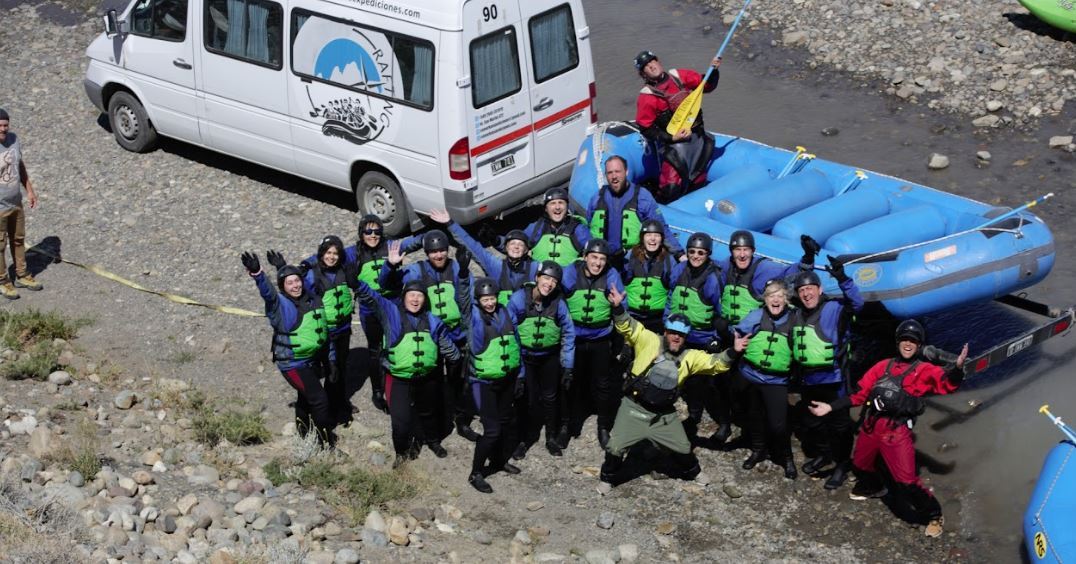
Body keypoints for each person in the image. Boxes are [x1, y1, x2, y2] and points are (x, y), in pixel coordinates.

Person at [809, 320, 968, 537]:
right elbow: (858, 394)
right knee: (860, 465)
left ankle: (933, 514)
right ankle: (875, 488)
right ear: (897, 342)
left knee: (906, 481)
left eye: (913, 341)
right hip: (871, 425)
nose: (908, 344)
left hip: (896, 432)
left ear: (919, 345)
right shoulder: (882, 366)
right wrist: (830, 406)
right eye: (904, 339)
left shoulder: (923, 370)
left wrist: (956, 369)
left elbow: (946, 383)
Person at [599, 285, 747, 488]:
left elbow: (715, 363)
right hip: (633, 407)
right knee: (614, 448)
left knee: (683, 447)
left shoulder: (690, 357)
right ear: (666, 331)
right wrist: (617, 308)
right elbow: (628, 326)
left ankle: (693, 473)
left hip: (664, 415)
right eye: (673, 332)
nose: (676, 337)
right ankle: (607, 479)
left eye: (682, 335)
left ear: (686, 338)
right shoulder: (649, 339)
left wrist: (733, 351)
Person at [356, 239, 461, 466]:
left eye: (420, 295)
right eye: (411, 295)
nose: (415, 298)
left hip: (427, 377)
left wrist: (455, 361)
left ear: (425, 299)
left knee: (429, 412)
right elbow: (372, 296)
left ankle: (433, 441)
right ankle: (401, 454)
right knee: (401, 422)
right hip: (399, 378)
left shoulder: (433, 320)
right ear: (404, 298)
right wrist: (364, 277)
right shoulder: (391, 314)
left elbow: (448, 348)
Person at [379, 229, 477, 442]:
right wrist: (391, 265)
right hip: (431, 335)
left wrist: (472, 334)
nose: (438, 255)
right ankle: (436, 420)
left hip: (457, 335)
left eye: (442, 250)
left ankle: (461, 419)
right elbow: (387, 285)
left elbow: (470, 304)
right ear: (427, 253)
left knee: (459, 381)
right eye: (433, 252)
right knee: (432, 382)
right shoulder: (417, 270)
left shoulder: (459, 268)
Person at [241, 250, 335, 446]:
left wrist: (331, 361)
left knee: (305, 397)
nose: (296, 285)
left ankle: (302, 434)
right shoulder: (280, 305)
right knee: (319, 400)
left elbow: (324, 330)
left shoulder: (310, 299)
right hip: (292, 363)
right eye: (289, 283)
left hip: (310, 359)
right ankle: (324, 445)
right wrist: (258, 274)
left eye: (297, 281)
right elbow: (268, 293)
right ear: (283, 287)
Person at [789, 249, 864, 489]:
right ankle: (824, 454)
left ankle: (842, 464)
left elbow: (857, 303)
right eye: (802, 290)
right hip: (809, 380)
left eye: (810, 288)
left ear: (820, 290)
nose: (806, 293)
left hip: (834, 379)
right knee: (814, 423)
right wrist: (805, 259)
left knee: (839, 426)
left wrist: (843, 278)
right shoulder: (797, 313)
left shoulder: (834, 309)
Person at [337, 214, 423, 413]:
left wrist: (429, 235)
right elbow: (328, 257)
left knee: (397, 346)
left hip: (393, 307)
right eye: (368, 231)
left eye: (377, 231)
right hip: (369, 310)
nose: (373, 235)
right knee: (375, 350)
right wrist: (304, 266)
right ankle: (378, 391)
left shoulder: (391, 246)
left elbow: (411, 243)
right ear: (361, 233)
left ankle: (402, 388)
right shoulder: (353, 253)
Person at [457, 269, 525, 494]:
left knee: (506, 422)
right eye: (485, 299)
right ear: (479, 300)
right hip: (482, 382)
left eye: (492, 298)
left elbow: (516, 345)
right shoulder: (473, 317)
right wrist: (464, 278)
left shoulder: (505, 312)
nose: (489, 302)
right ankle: (475, 473)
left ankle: (497, 461)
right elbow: (463, 301)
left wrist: (521, 376)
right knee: (493, 429)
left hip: (506, 378)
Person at [665, 232, 729, 446]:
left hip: (704, 337)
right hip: (681, 335)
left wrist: (717, 337)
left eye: (701, 253)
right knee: (687, 379)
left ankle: (724, 422)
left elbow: (722, 313)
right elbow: (670, 297)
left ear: (708, 254)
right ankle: (694, 417)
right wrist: (667, 324)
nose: (695, 256)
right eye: (692, 252)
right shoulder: (679, 270)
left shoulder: (712, 278)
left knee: (711, 384)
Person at [560, 238, 625, 449]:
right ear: (585, 257)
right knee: (570, 381)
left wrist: (618, 307)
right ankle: (567, 424)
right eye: (594, 257)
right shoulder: (571, 272)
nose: (598, 263)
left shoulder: (611, 275)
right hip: (575, 338)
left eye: (602, 259)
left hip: (600, 338)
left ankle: (603, 426)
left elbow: (622, 304)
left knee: (603, 385)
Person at [506, 261, 576, 457]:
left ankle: (551, 437)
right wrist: (518, 372)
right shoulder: (519, 299)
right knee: (526, 399)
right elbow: (510, 334)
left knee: (550, 397)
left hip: (549, 357)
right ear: (536, 278)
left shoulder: (558, 304)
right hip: (525, 357)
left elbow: (569, 333)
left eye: (554, 280)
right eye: (546, 278)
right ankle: (524, 439)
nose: (549, 283)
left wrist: (568, 366)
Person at [633, 51, 720, 202]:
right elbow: (646, 128)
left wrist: (714, 70)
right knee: (671, 188)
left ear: (658, 61)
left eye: (652, 62)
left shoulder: (678, 76)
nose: (651, 66)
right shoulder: (647, 97)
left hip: (697, 138)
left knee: (698, 182)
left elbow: (706, 85)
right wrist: (672, 137)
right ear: (643, 74)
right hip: (674, 147)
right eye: (646, 67)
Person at [734, 280, 797, 479]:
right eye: (771, 296)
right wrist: (736, 338)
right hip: (750, 376)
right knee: (754, 416)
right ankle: (758, 450)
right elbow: (737, 330)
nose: (776, 300)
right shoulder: (756, 315)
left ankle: (786, 457)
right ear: (766, 300)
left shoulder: (795, 319)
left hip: (776, 381)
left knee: (778, 425)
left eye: (780, 296)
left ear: (786, 300)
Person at [299, 235, 360, 427]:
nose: (331, 257)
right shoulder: (312, 274)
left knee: (341, 367)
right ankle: (325, 409)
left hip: (344, 328)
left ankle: (340, 402)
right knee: (330, 370)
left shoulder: (343, 269)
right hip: (326, 331)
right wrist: (305, 262)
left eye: (335, 253)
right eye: (327, 253)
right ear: (321, 254)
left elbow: (356, 247)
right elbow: (298, 294)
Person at [586, 156, 683, 269]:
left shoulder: (642, 197)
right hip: (602, 263)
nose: (614, 176)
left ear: (626, 172)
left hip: (632, 262)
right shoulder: (596, 198)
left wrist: (679, 254)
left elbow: (660, 228)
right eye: (610, 173)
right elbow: (587, 228)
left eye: (617, 171)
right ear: (606, 175)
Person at [431, 209, 538, 305]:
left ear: (526, 250)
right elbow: (473, 246)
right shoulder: (496, 266)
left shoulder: (535, 267)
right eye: (512, 243)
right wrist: (450, 223)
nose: (516, 247)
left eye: (520, 245)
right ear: (505, 248)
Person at [718, 231, 815, 327]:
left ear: (753, 251)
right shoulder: (725, 266)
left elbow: (792, 273)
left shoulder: (764, 269)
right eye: (738, 249)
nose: (742, 255)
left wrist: (808, 257)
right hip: (726, 330)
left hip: (751, 332)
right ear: (731, 251)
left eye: (746, 249)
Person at [0, 108, 41, 299]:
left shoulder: (14, 140)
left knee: (18, 239)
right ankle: (2, 280)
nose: (3, 129)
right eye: (0, 126)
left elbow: (20, 165)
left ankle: (22, 274)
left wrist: (29, 189)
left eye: (5, 125)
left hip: (16, 202)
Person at [623, 219, 679, 334]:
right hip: (631, 317)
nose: (652, 239)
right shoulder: (630, 257)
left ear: (662, 239)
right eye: (648, 235)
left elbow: (673, 291)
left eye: (656, 235)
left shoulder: (669, 260)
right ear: (642, 238)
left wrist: (666, 320)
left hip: (656, 320)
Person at [523, 187, 591, 267]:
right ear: (546, 208)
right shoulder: (536, 228)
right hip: (539, 277)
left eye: (561, 203)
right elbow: (516, 242)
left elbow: (594, 252)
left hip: (568, 278)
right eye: (553, 203)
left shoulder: (578, 229)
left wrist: (580, 263)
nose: (557, 207)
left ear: (567, 207)